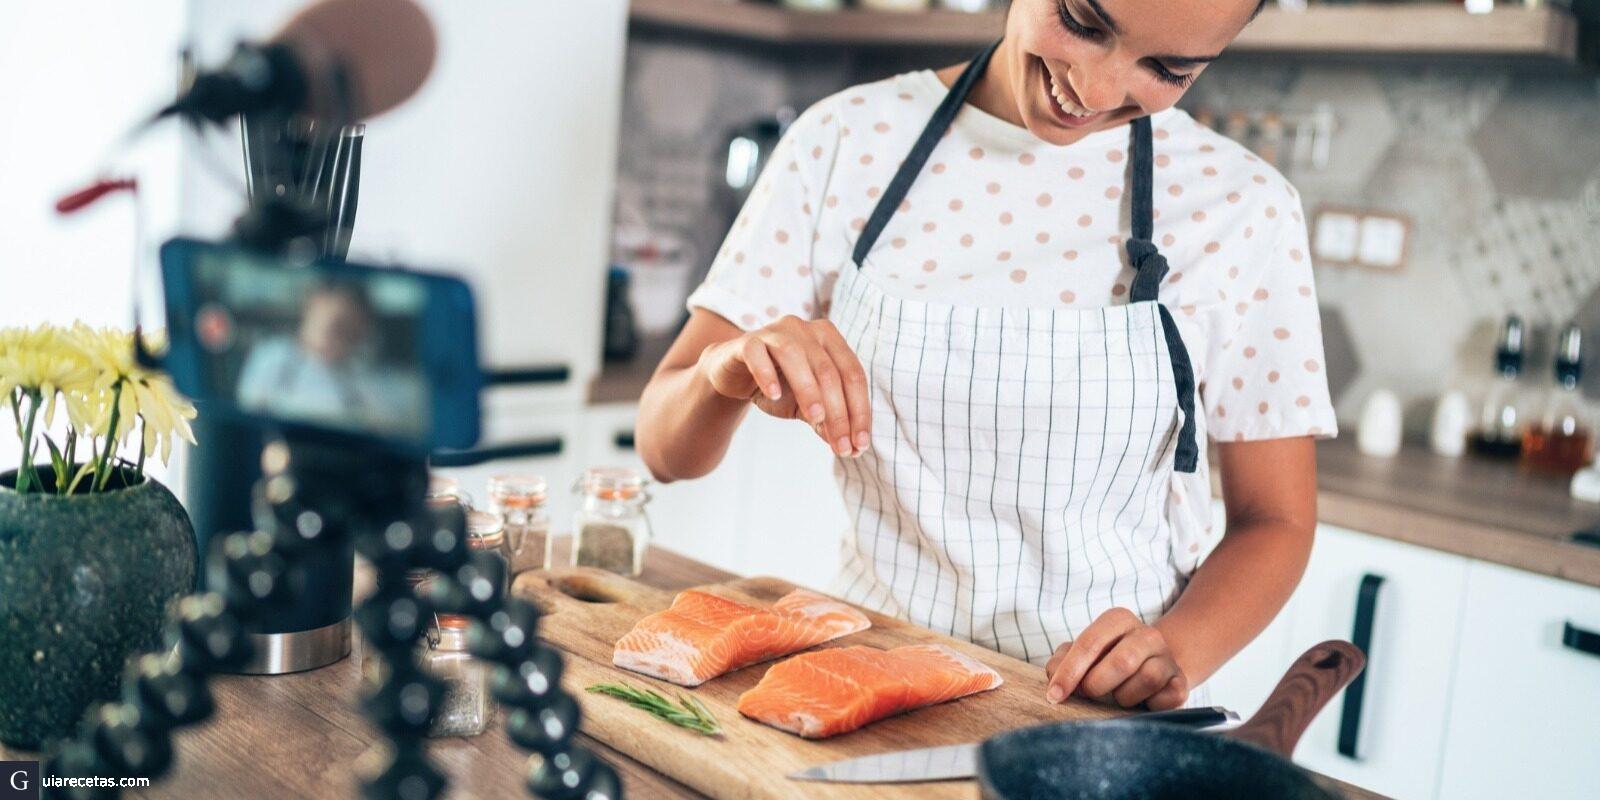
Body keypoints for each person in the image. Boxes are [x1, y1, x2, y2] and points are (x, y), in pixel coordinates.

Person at [637, 0, 1335, 711]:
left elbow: (1275, 520)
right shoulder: (845, 140)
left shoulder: (1247, 208)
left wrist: (1176, 648)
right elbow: (665, 448)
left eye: (1167, 69)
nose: (1094, 91)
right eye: (1083, 22)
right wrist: (726, 371)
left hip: (1098, 715)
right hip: (863, 679)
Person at [237, 280, 410, 434]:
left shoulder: (359, 378)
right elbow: (248, 415)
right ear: (314, 302)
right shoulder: (274, 355)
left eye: (349, 333)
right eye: (335, 325)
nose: (338, 339)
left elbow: (390, 426)